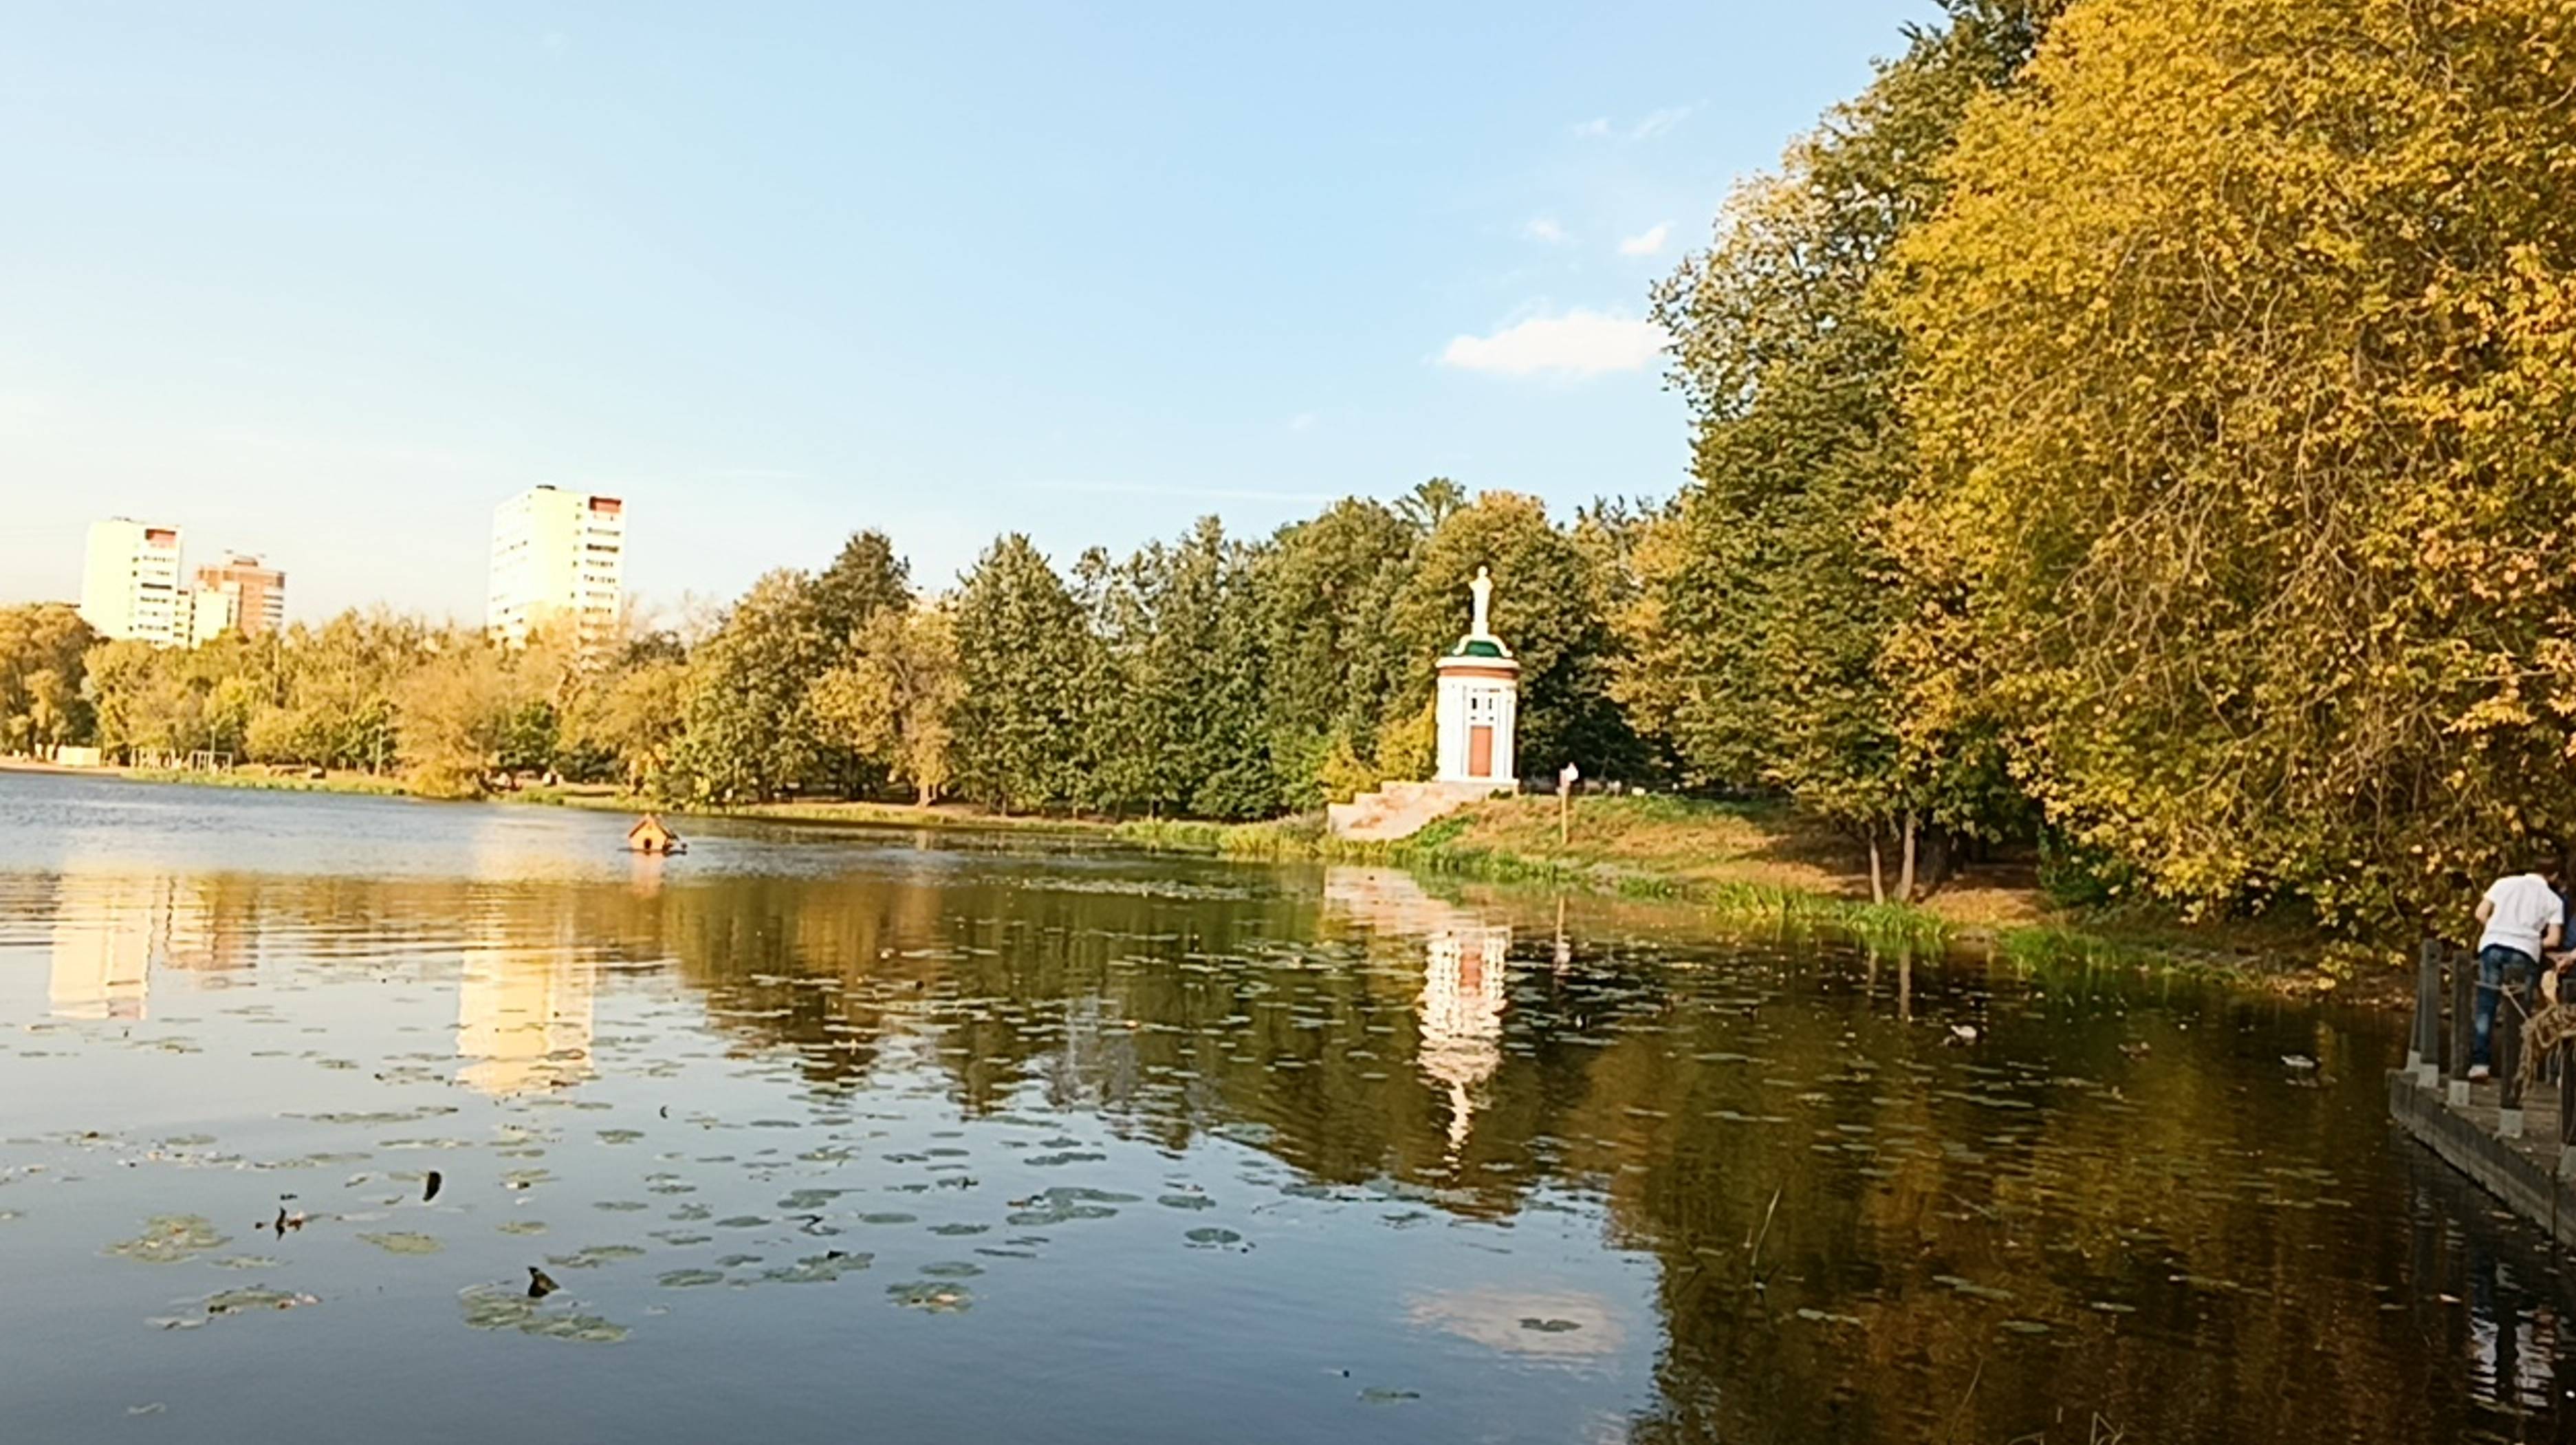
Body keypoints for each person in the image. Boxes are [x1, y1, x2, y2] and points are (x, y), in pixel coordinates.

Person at [2471, 857, 2566, 1079]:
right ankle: (2515, 1068)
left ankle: (2480, 1064)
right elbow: (2553, 939)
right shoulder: (2553, 900)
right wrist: (2532, 941)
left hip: (2492, 945)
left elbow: (2480, 913)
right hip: (2524, 951)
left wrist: (2496, 929)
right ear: (2553, 876)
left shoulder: (2503, 883)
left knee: (2486, 1005)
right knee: (2518, 1011)